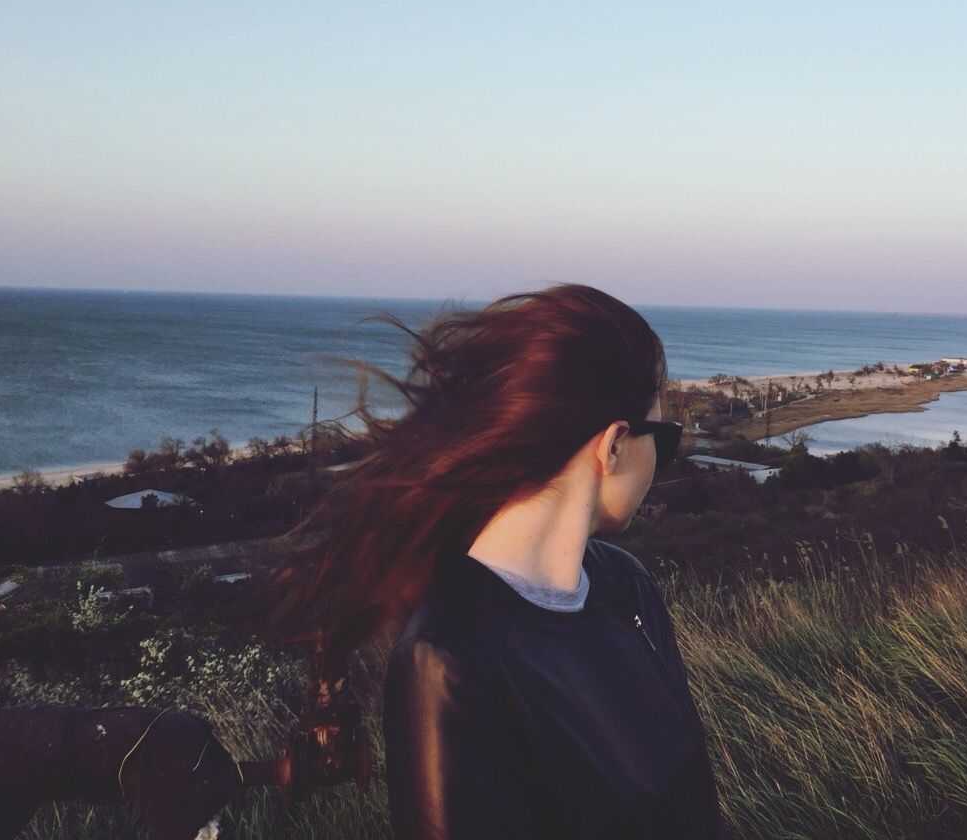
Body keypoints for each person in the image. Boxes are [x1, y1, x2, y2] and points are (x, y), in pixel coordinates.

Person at [265, 282, 727, 839]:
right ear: (614, 444)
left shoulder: (626, 586)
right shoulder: (447, 657)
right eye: (666, 435)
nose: (665, 459)